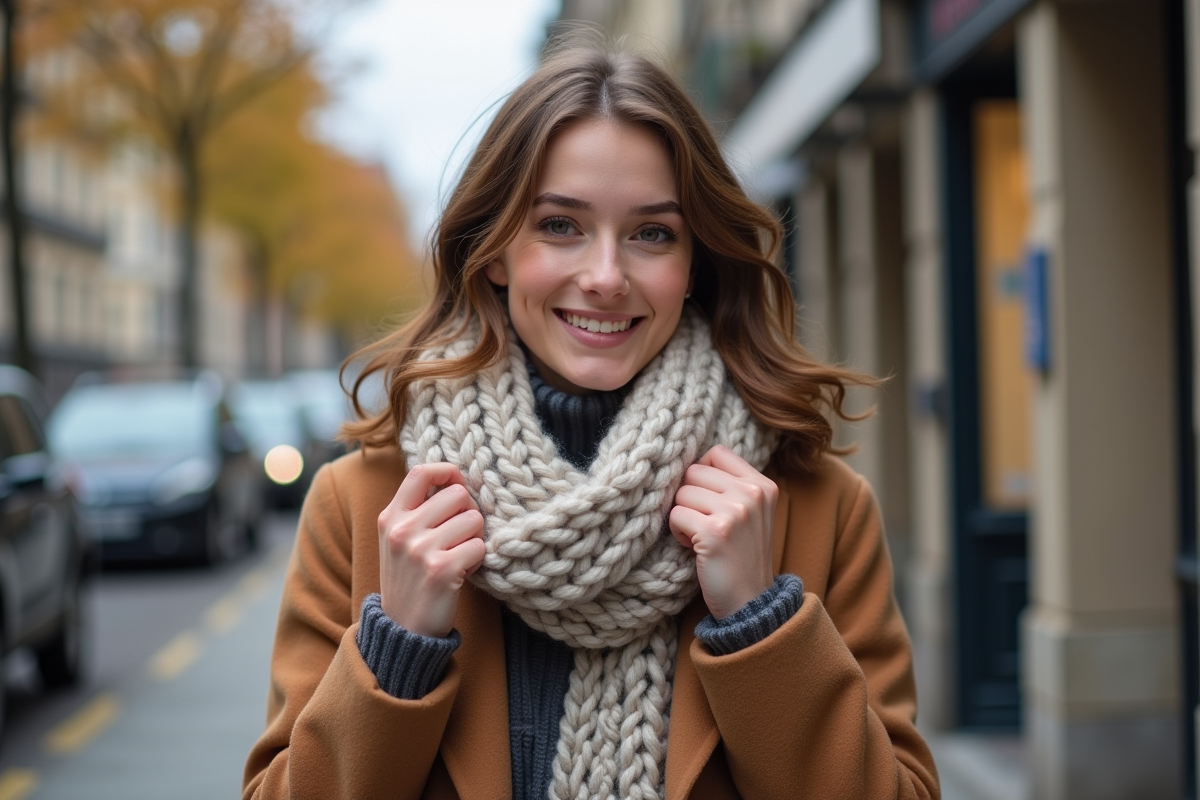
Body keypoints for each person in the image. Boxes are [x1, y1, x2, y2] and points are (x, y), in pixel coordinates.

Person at [243, 35, 940, 800]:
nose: (605, 277)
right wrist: (396, 650)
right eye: (560, 225)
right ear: (496, 250)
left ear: (694, 261)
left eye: (651, 234)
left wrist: (761, 625)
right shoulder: (369, 509)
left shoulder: (814, 508)